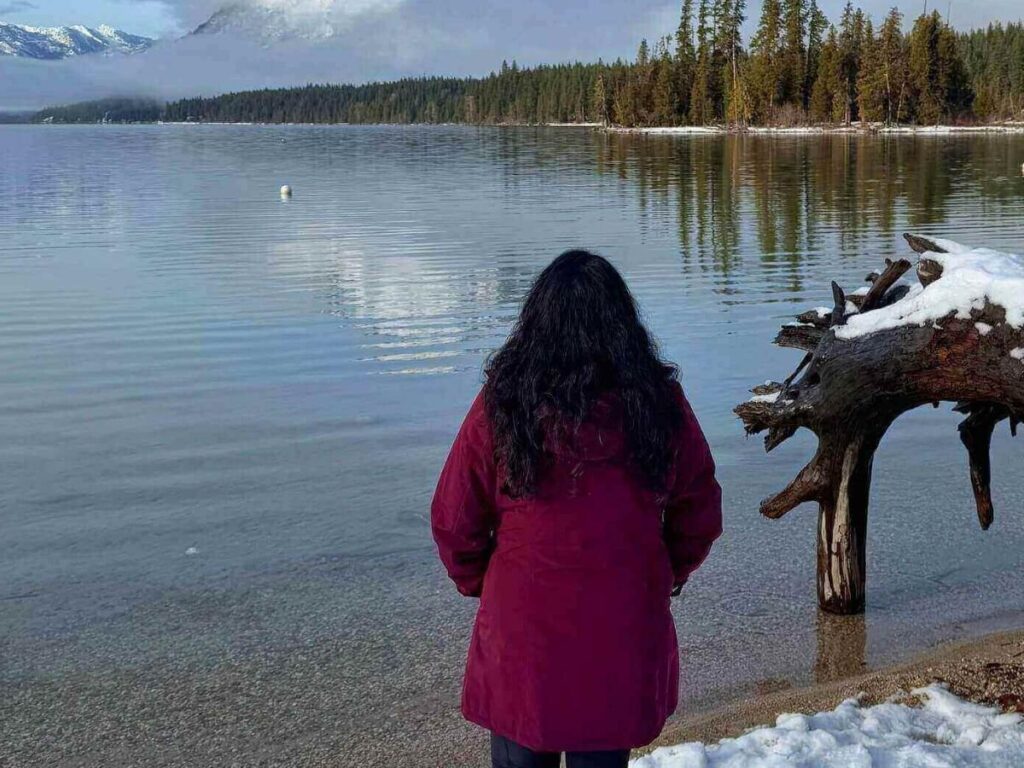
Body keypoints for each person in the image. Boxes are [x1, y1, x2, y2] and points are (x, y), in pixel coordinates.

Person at [431, 250, 722, 768]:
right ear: (622, 324)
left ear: (535, 323)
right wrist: (664, 571)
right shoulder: (657, 403)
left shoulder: (503, 404)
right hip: (621, 626)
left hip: (523, 629)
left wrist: (483, 583)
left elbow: (455, 521)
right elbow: (699, 509)